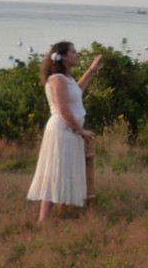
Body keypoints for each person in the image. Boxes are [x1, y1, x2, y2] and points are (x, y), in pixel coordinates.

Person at [26, 41, 102, 223]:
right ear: (63, 56)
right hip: (62, 130)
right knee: (55, 171)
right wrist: (81, 130)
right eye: (73, 52)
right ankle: (43, 220)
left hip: (69, 131)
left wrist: (91, 71)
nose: (77, 55)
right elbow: (64, 110)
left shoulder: (66, 78)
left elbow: (78, 91)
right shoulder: (57, 79)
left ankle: (63, 213)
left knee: (66, 171)